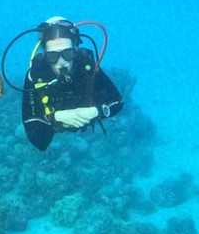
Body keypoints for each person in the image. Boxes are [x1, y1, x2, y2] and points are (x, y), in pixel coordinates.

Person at [12, 17, 124, 151]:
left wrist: (96, 111)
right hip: (54, 125)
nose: (61, 62)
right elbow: (38, 140)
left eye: (68, 53)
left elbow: (117, 102)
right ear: (44, 55)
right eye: (53, 56)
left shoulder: (85, 66)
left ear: (75, 50)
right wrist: (55, 118)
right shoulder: (37, 74)